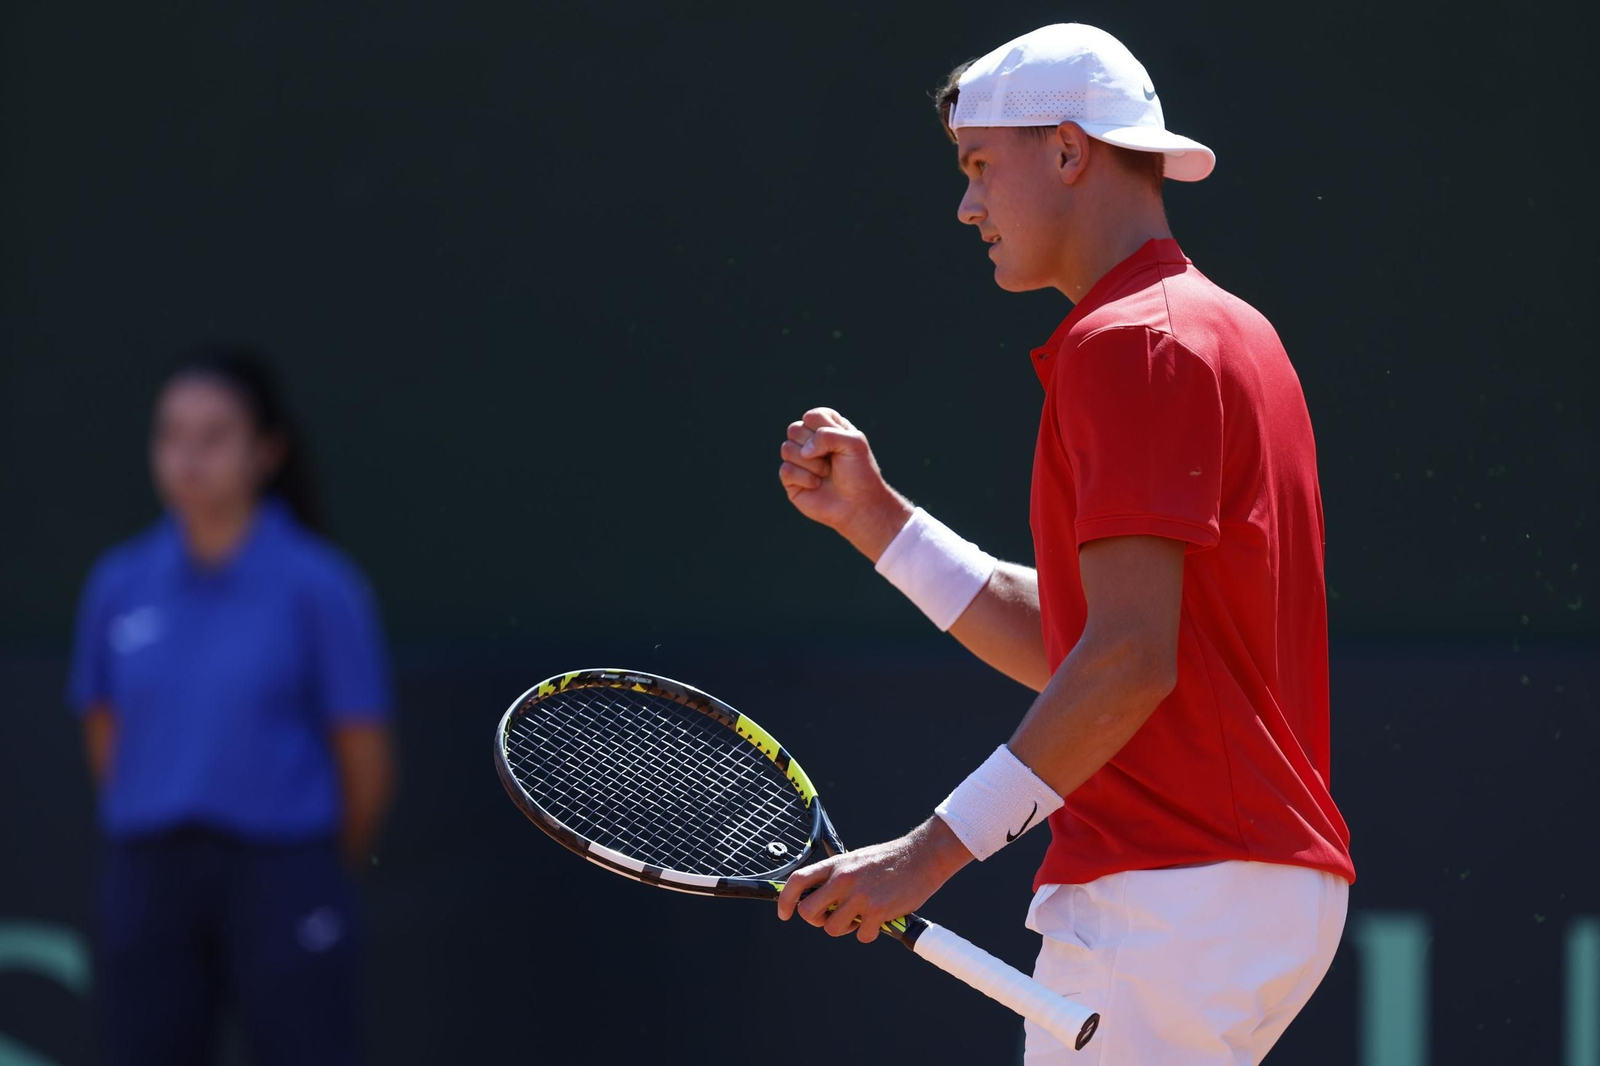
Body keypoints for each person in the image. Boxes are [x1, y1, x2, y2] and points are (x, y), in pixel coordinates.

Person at [773, 23, 1354, 1064]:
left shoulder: (1132, 341)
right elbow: (1087, 646)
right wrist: (879, 523)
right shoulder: (1222, 329)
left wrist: (926, 854)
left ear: (1069, 151)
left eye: (978, 165)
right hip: (1237, 890)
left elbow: (1127, 661)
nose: (966, 205)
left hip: (1171, 892)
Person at [67, 348, 396, 1066]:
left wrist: (307, 866)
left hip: (281, 871)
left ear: (266, 451)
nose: (188, 458)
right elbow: (103, 733)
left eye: (214, 437)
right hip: (150, 876)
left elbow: (362, 754)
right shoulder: (119, 584)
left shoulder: (321, 586)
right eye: (171, 435)